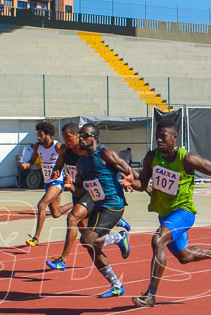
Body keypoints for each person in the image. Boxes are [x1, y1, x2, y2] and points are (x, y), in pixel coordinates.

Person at [129, 113, 211, 308]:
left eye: (163, 137)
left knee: (157, 240)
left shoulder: (186, 158)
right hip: (165, 214)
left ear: (175, 137)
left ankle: (150, 295)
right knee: (184, 257)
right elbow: (143, 183)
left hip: (183, 212)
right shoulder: (152, 157)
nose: (159, 140)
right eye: (157, 137)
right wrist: (131, 182)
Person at [44, 121, 128, 271]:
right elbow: (59, 164)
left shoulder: (87, 151)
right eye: (63, 138)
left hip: (90, 191)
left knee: (72, 218)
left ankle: (63, 259)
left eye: (69, 138)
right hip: (78, 189)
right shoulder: (64, 150)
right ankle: (113, 275)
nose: (66, 141)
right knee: (87, 238)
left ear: (78, 136)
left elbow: (107, 167)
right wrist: (56, 171)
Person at [72, 123, 134, 297]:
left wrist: (141, 184)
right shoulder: (81, 162)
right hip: (98, 205)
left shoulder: (105, 153)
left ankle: (119, 236)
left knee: (87, 240)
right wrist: (69, 186)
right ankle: (116, 285)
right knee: (91, 246)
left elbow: (128, 170)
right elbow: (80, 190)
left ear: (95, 137)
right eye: (79, 135)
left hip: (113, 204)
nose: (80, 138)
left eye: (84, 135)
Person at [20, 121, 73, 247]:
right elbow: (32, 161)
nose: (39, 137)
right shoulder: (38, 147)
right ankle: (78, 203)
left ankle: (36, 238)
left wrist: (69, 176)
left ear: (48, 134)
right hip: (47, 182)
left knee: (41, 204)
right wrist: (26, 165)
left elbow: (68, 160)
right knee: (56, 213)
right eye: (38, 135)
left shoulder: (57, 146)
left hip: (58, 181)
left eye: (41, 135)